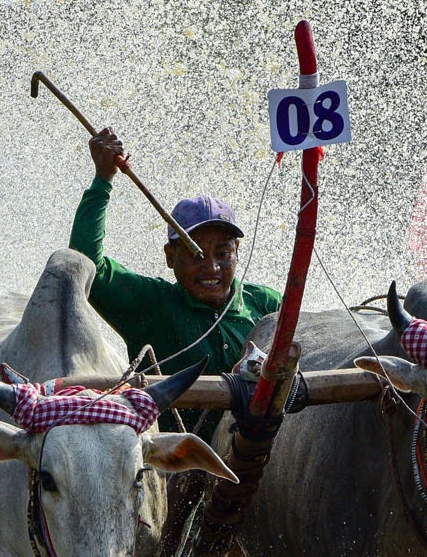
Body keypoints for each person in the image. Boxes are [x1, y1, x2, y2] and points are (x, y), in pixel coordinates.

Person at [70, 128, 282, 389]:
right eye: (197, 254)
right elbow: (83, 265)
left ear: (237, 251)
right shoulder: (150, 305)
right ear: (170, 257)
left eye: (223, 253)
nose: (211, 267)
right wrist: (103, 179)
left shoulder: (267, 305)